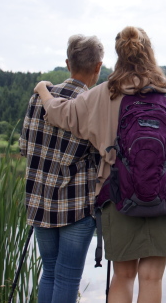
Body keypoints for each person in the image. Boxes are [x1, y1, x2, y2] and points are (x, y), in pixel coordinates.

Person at [33, 26, 166, 303]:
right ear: (150, 53)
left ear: (118, 56)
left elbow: (60, 114)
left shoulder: (104, 95)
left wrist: (43, 91)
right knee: (152, 278)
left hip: (118, 195)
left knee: (123, 277)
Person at [19, 34, 104, 303]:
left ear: (68, 63)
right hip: (77, 207)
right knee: (67, 278)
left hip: (40, 202)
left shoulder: (38, 98)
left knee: (50, 273)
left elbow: (25, 147)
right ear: (98, 68)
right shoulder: (93, 105)